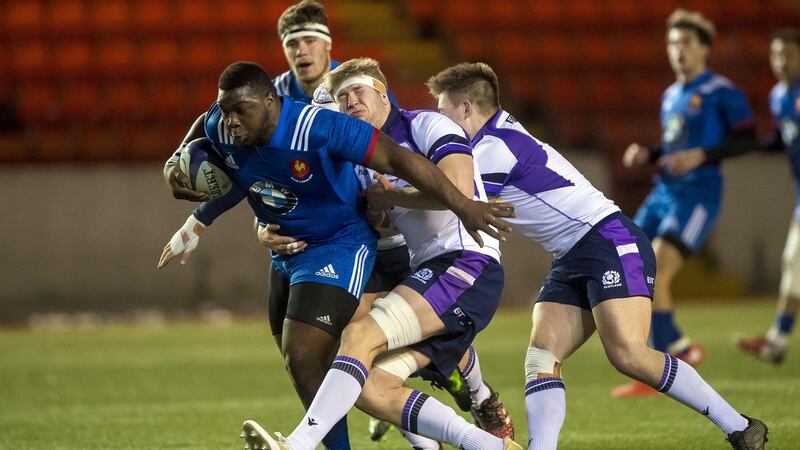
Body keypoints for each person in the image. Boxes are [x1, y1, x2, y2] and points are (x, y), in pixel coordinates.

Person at [157, 61, 512, 447]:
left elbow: (435, 178)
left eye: (357, 92)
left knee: (346, 343)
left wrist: (462, 204)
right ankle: (486, 445)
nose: (350, 102)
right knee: (362, 381)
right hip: (409, 263)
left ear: (381, 90)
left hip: (457, 261)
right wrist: (209, 212)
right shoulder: (347, 160)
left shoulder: (418, 126)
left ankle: (299, 443)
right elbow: (258, 175)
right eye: (341, 98)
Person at [426, 62, 768, 450]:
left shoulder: (492, 148)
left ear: (466, 108)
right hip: (572, 252)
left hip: (606, 238)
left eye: (444, 110)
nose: (441, 120)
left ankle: (741, 427)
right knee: (541, 358)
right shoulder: (491, 138)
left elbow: (447, 197)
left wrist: (388, 191)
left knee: (629, 355)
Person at [615, 9, 758, 397]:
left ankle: (660, 367)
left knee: (658, 270)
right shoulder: (671, 95)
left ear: (705, 49)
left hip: (697, 196)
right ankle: (679, 348)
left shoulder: (721, 92)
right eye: (673, 43)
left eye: (686, 43)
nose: (678, 51)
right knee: (628, 256)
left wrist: (702, 156)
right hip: (664, 192)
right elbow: (676, 146)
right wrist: (649, 153)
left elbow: (749, 139)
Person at [737, 28, 800, 364]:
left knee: (794, 261)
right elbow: (783, 139)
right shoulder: (779, 97)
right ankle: (777, 340)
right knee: (793, 262)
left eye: (788, 54)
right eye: (776, 55)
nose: (781, 62)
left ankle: (777, 339)